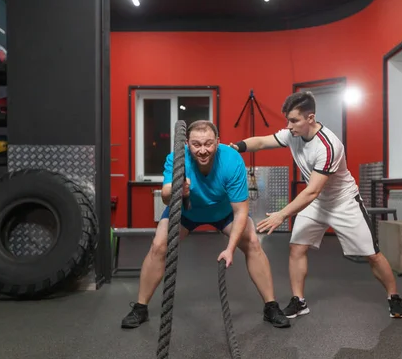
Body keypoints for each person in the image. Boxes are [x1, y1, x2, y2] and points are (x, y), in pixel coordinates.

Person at [228, 91, 402, 319]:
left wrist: (281, 215)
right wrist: (237, 147)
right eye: (288, 120)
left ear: (310, 118)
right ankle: (298, 301)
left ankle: (394, 296)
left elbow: (312, 190)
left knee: (372, 254)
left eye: (294, 120)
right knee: (297, 247)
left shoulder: (328, 146)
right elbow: (262, 141)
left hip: (343, 202)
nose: (289, 126)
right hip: (315, 203)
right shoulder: (292, 134)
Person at [121, 120, 290, 329]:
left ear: (218, 142)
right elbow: (165, 197)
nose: (202, 150)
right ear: (187, 144)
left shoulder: (231, 160)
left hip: (223, 212)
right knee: (158, 246)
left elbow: (241, 212)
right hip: (186, 211)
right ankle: (140, 308)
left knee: (253, 243)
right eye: (196, 145)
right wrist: (176, 190)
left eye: (208, 144)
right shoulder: (176, 158)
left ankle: (271, 306)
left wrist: (229, 250)